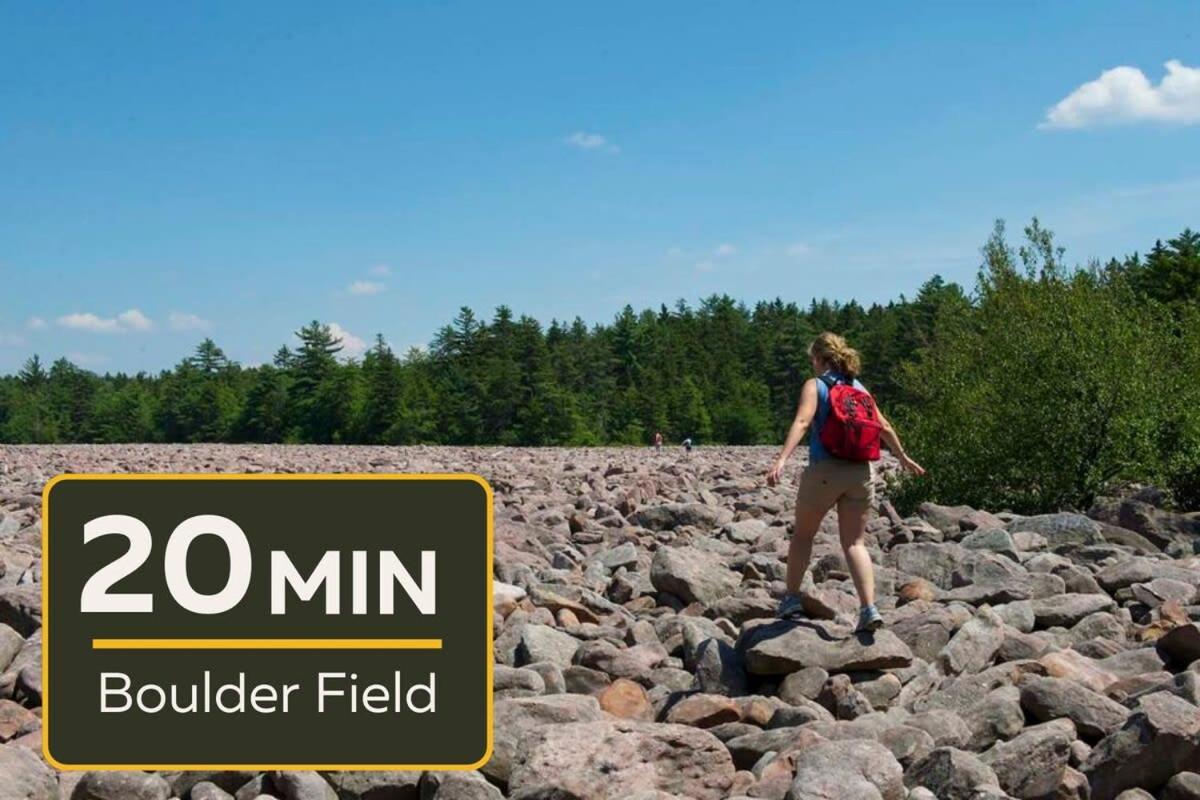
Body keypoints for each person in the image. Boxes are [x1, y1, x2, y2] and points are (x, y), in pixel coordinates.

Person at [766, 332, 925, 633]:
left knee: (803, 535)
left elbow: (802, 421)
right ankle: (868, 608)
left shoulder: (816, 386)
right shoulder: (860, 389)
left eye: (812, 359)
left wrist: (782, 459)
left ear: (819, 359)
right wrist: (903, 457)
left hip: (825, 471)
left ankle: (791, 599)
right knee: (854, 542)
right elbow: (884, 425)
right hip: (861, 473)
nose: (811, 365)